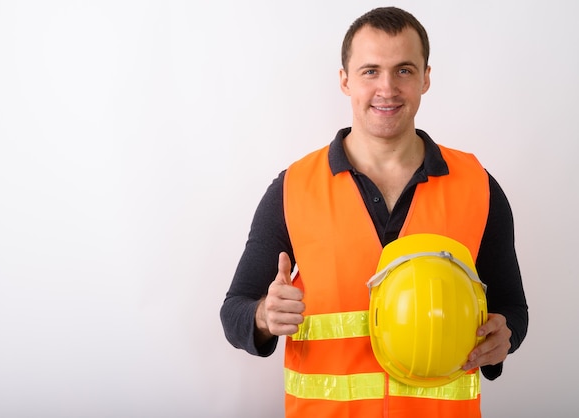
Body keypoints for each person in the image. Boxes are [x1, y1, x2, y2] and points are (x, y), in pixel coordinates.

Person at [220, 6, 528, 417]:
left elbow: (513, 310)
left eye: (403, 70)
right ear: (345, 80)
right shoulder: (293, 188)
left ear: (425, 78)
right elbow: (234, 311)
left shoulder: (478, 186)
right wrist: (263, 315)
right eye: (370, 71)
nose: (387, 88)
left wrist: (503, 335)